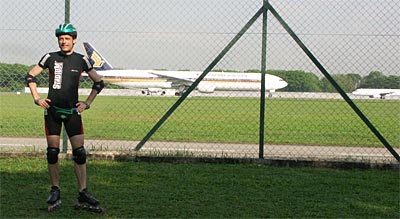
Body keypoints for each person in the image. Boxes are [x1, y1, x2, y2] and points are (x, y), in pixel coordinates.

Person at [25, 23, 105, 209]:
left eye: (67, 38)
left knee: (80, 153)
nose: (64, 41)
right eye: (61, 38)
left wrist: (87, 103)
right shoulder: (50, 57)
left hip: (72, 112)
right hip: (52, 112)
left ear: (74, 40)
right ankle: (55, 190)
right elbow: (30, 77)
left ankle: (83, 193)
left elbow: (99, 83)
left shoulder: (81, 60)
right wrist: (37, 98)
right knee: (52, 152)